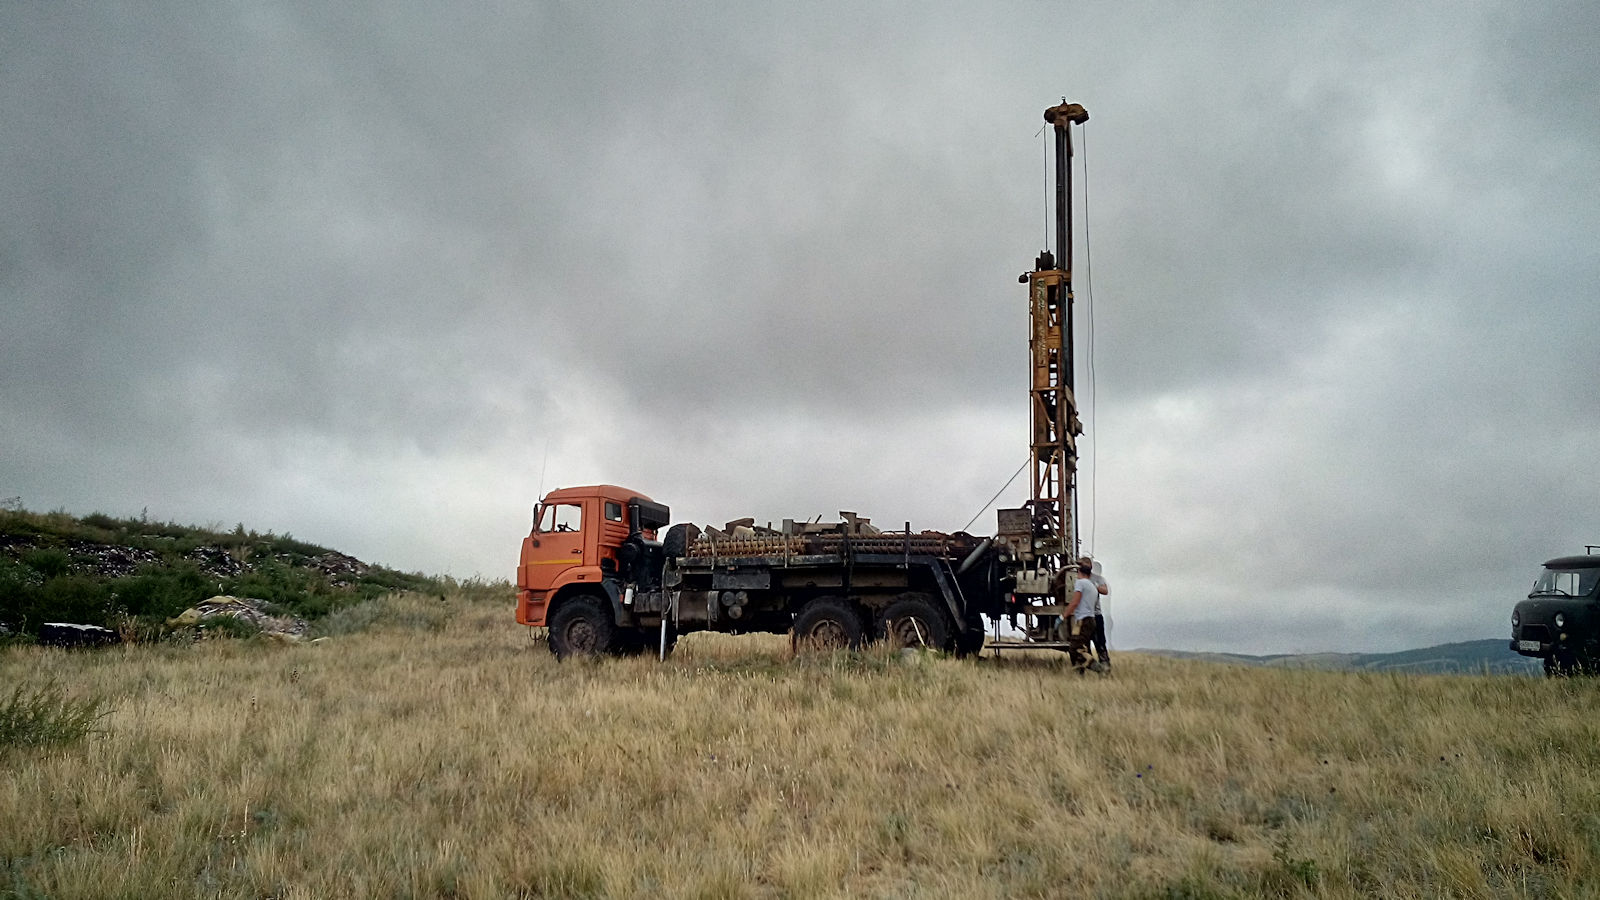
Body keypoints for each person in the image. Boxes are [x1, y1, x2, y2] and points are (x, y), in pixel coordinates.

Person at [1062, 561, 1101, 672]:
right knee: (1083, 647)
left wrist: (1063, 616)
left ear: (1079, 572)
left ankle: (1098, 668)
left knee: (1074, 648)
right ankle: (1080, 673)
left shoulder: (1080, 583)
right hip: (1090, 620)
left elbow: (1075, 602)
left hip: (1083, 621)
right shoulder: (1092, 586)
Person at [1079, 556, 1111, 671]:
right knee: (1083, 645)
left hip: (1095, 615)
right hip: (1083, 616)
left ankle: (1105, 667)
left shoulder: (1097, 579)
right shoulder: (1078, 578)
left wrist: (1092, 586)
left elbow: (1105, 590)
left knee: (1100, 643)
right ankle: (1089, 667)